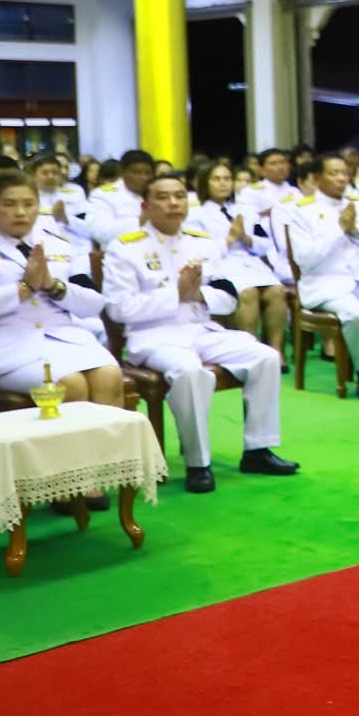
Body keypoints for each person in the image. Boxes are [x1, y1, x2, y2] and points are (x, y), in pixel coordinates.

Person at [106, 173, 293, 492]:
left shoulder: (201, 242)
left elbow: (229, 293)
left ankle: (257, 450)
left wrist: (198, 295)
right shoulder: (126, 248)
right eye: (163, 197)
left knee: (264, 356)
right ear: (146, 206)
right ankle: (198, 462)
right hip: (154, 335)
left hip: (201, 328)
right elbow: (118, 309)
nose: (173, 203)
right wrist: (175, 295)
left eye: (179, 196)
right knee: (190, 372)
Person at [0, 169, 126, 410]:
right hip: (2, 349)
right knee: (70, 385)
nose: (21, 212)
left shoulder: (57, 244)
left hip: (65, 340)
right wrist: (23, 288)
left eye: (29, 204)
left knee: (109, 377)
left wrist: (52, 286)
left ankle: (107, 449)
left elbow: (93, 303)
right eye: (9, 204)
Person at [275, 154, 359, 400]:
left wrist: (356, 232)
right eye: (334, 173)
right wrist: (339, 228)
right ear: (317, 178)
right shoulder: (301, 211)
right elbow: (305, 260)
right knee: (355, 313)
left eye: (344, 173)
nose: (341, 178)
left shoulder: (358, 204)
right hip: (323, 285)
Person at [191, 161, 289, 356]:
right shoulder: (196, 213)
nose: (223, 184)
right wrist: (229, 239)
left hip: (250, 263)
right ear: (205, 183)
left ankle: (276, 351)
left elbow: (264, 244)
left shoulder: (244, 209)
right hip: (219, 266)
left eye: (227, 179)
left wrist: (245, 237)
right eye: (217, 179)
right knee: (248, 293)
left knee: (276, 291)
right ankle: (249, 349)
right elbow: (197, 250)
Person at [89, 149, 155, 233]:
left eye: (147, 173)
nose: (143, 177)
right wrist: (140, 221)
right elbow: (101, 232)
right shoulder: (103, 195)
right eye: (136, 173)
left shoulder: (156, 194)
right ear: (123, 172)